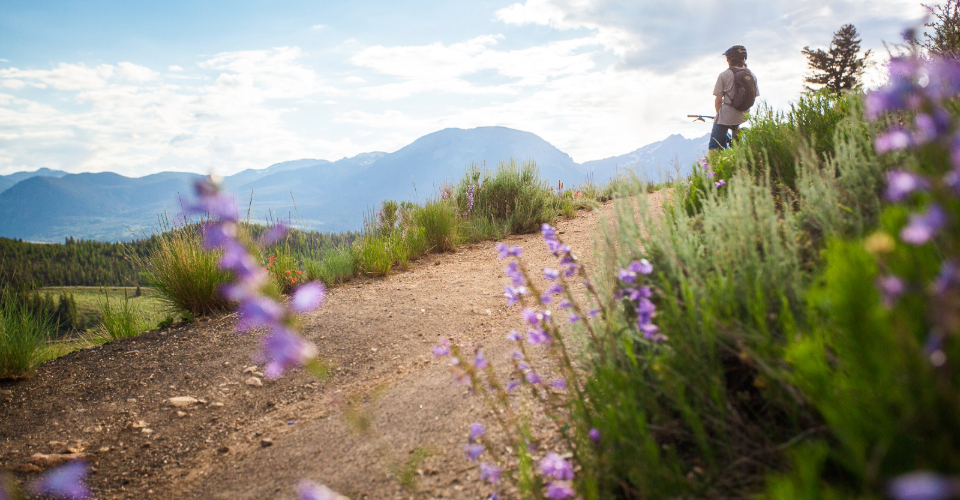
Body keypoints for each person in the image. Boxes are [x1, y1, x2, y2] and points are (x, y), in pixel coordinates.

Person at [709, 45, 759, 150]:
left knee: (714, 146)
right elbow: (754, 96)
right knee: (736, 139)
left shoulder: (724, 75)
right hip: (744, 115)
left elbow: (718, 101)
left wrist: (719, 115)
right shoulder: (752, 75)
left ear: (729, 60)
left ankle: (715, 163)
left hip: (727, 115)